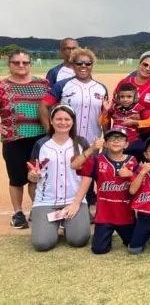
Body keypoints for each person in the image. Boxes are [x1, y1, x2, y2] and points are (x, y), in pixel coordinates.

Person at [28, 105, 94, 251]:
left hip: (74, 200)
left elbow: (87, 176)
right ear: (51, 121)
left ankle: (67, 222)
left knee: (79, 240)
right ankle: (54, 223)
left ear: (72, 121)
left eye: (67, 119)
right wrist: (33, 176)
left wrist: (76, 203)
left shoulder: (81, 143)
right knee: (42, 244)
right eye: (58, 119)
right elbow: (32, 177)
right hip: (47, 201)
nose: (63, 122)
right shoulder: (41, 144)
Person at [0, 50, 50, 229]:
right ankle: (17, 213)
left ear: (30, 64)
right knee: (16, 178)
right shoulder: (2, 86)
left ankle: (37, 209)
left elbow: (53, 106)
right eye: (16, 62)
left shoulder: (43, 84)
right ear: (9, 64)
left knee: (36, 177)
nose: (21, 66)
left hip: (40, 139)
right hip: (14, 139)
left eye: (25, 62)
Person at [70, 127, 138, 254]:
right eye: (112, 138)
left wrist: (131, 175)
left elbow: (140, 184)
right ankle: (106, 236)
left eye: (120, 138)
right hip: (104, 216)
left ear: (126, 143)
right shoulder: (98, 160)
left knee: (134, 245)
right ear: (105, 144)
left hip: (126, 216)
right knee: (99, 249)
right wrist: (92, 148)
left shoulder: (132, 160)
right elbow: (74, 165)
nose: (116, 141)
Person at [40, 48, 107, 146]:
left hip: (93, 142)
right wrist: (49, 131)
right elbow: (43, 106)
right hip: (66, 141)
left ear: (92, 65)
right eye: (79, 63)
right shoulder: (62, 85)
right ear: (72, 65)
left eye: (88, 63)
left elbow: (105, 115)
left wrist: (107, 138)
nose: (83, 66)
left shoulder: (101, 88)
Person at [113, 55, 150, 139]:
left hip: (147, 132)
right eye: (145, 64)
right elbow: (115, 103)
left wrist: (140, 117)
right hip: (124, 130)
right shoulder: (124, 82)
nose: (147, 68)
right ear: (139, 65)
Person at [99, 82, 150, 159]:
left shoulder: (140, 108)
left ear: (135, 97)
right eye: (122, 97)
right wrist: (106, 111)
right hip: (116, 141)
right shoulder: (114, 108)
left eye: (129, 97)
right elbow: (102, 122)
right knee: (102, 157)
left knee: (144, 153)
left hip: (133, 141)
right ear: (118, 97)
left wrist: (135, 122)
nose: (125, 100)